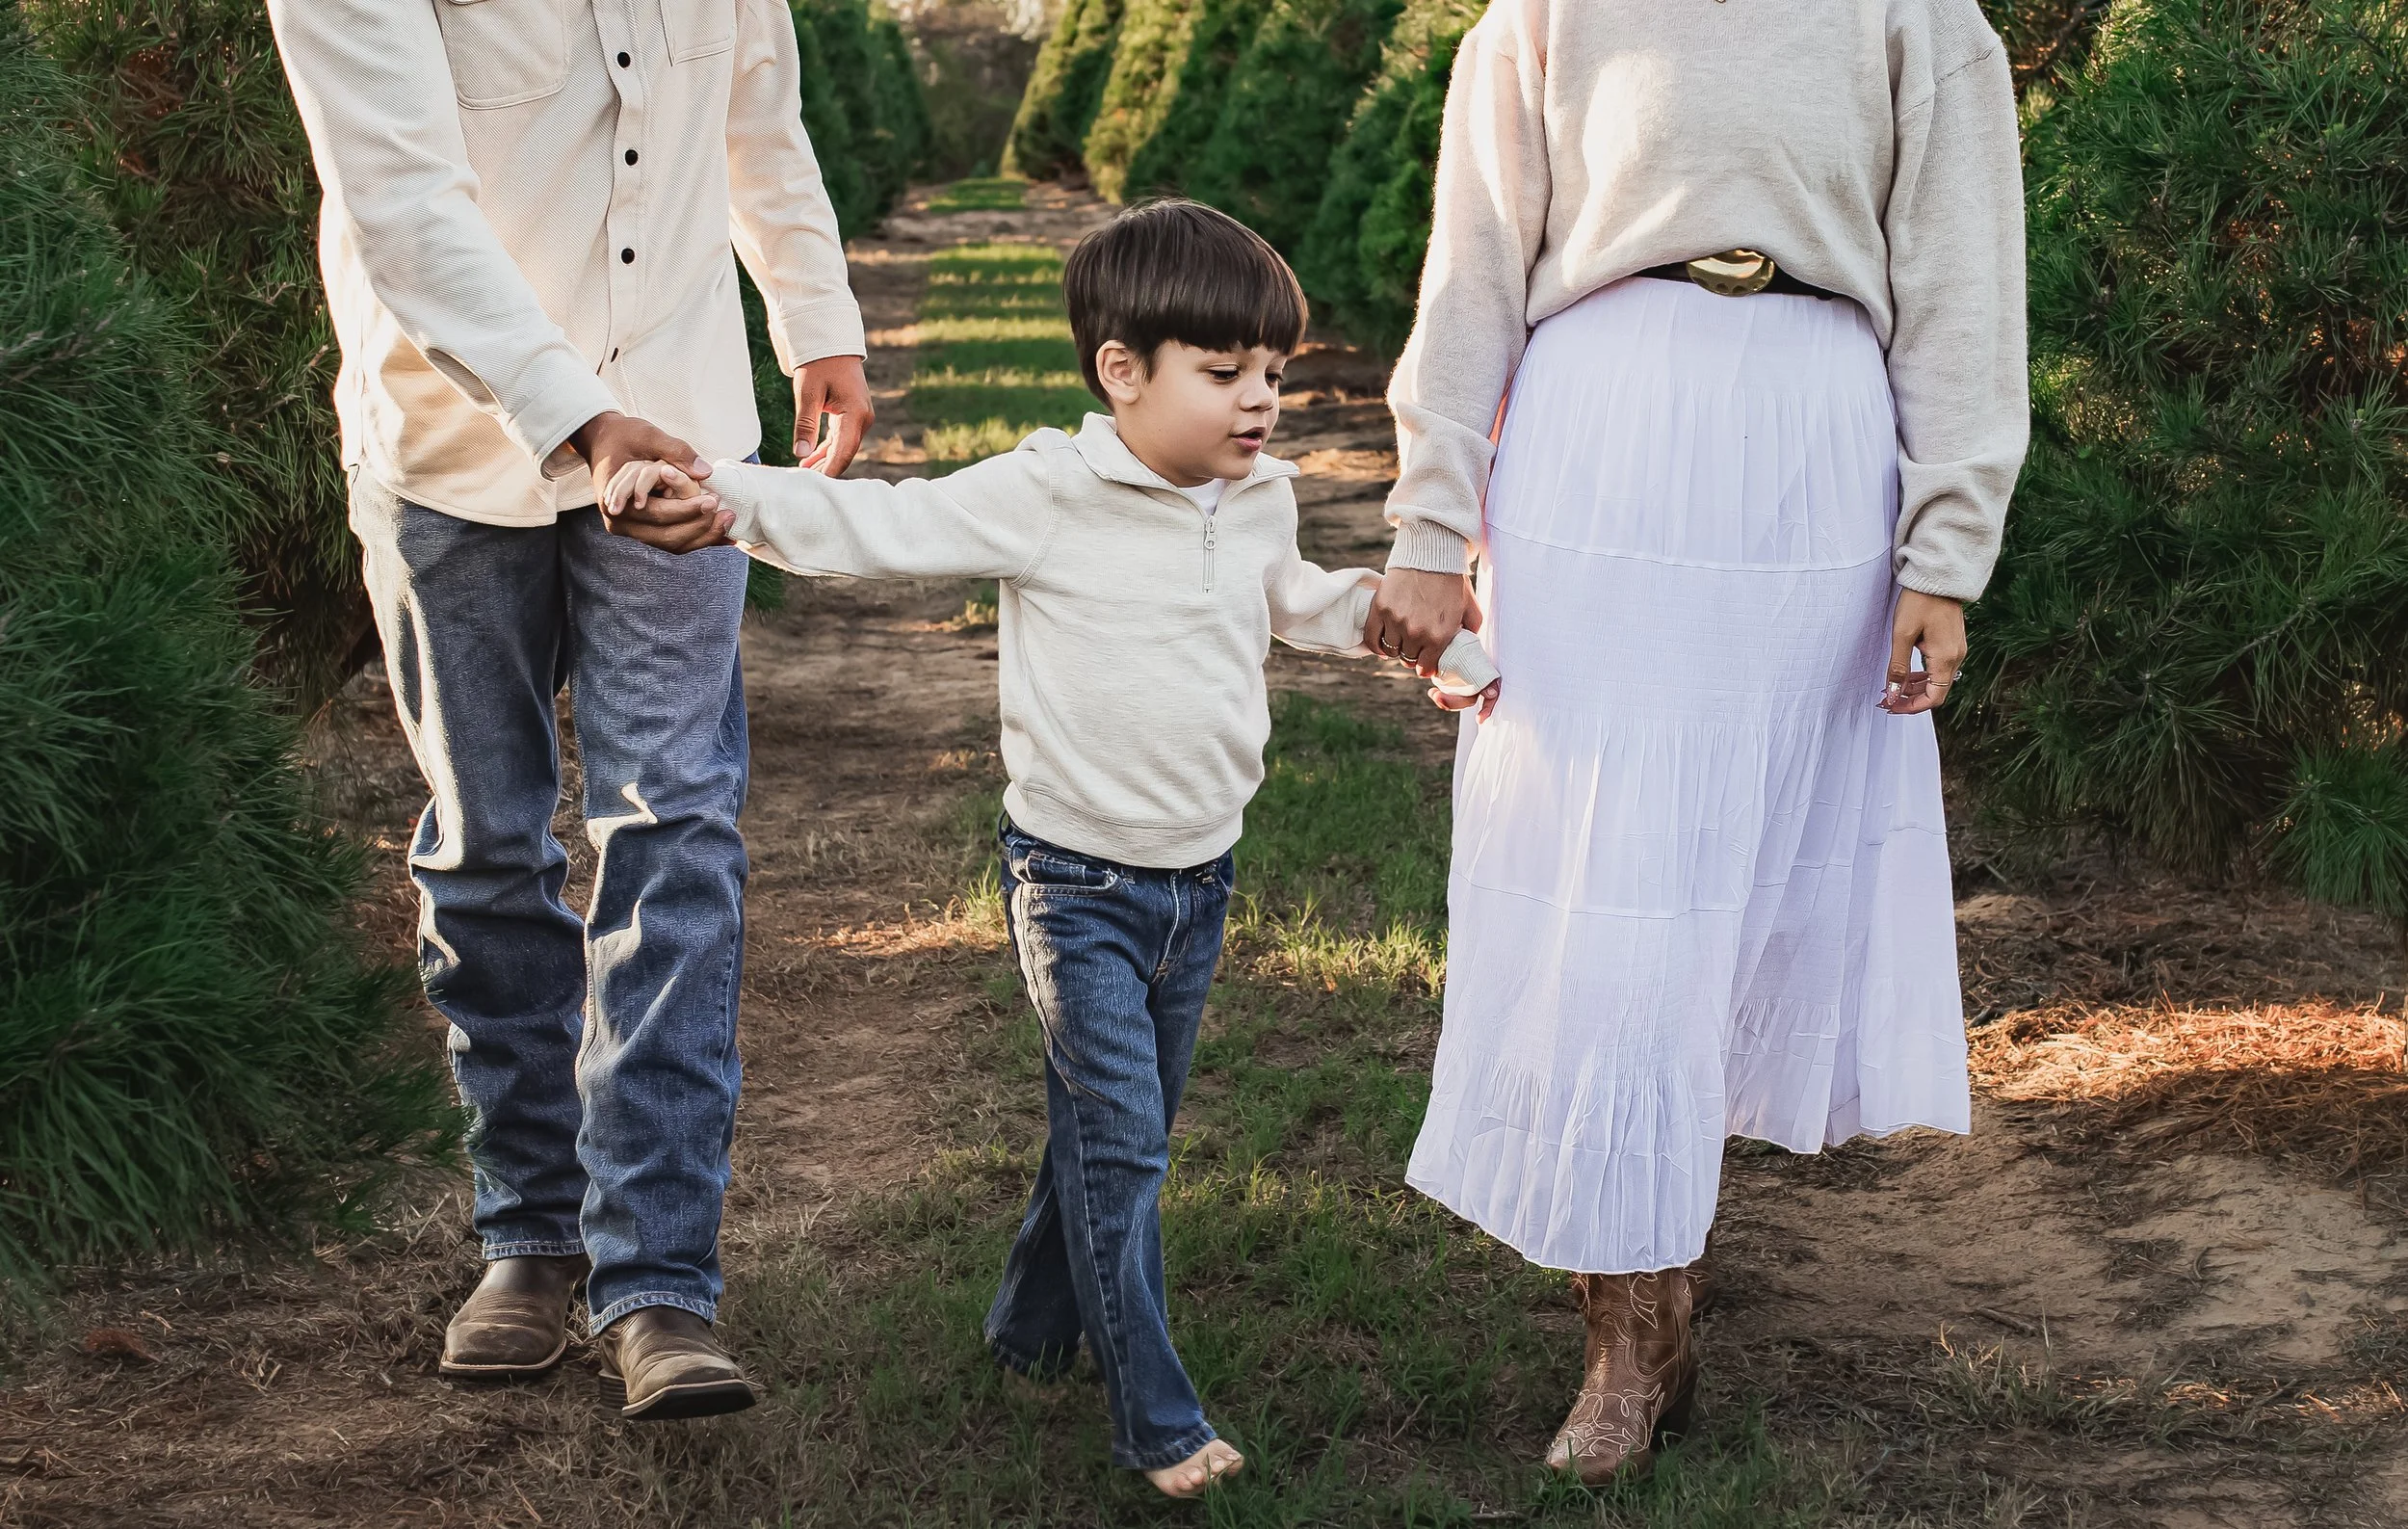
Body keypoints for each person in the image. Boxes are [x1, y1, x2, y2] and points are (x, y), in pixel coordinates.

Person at [602, 199, 1498, 1494]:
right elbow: (887, 526)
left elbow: (1300, 604)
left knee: (1106, 1125)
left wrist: (1433, 635)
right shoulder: (1047, 492)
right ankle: (1156, 1416)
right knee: (1124, 1143)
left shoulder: (1253, 500)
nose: (1260, 403)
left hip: (1202, 877)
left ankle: (1029, 1326)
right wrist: (729, 496)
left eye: (1273, 377)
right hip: (1075, 882)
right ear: (1121, 372)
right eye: (1225, 373)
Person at [1358, 0, 2028, 1481]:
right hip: (1599, 444)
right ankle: (1630, 1322)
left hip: (1810, 459)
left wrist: (1946, 551)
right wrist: (1426, 521)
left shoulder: (1920, 17)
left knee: (1728, 882)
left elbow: (1966, 285)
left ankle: (1666, 1239)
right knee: (1607, 879)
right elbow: (1471, 267)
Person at [265, 0, 875, 1420]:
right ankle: (530, 1230)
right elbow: (402, 205)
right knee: (490, 844)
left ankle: (659, 1276)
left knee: (678, 828)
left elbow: (756, 114)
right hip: (449, 448)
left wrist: (814, 313)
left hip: (680, 415)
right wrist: (578, 418)